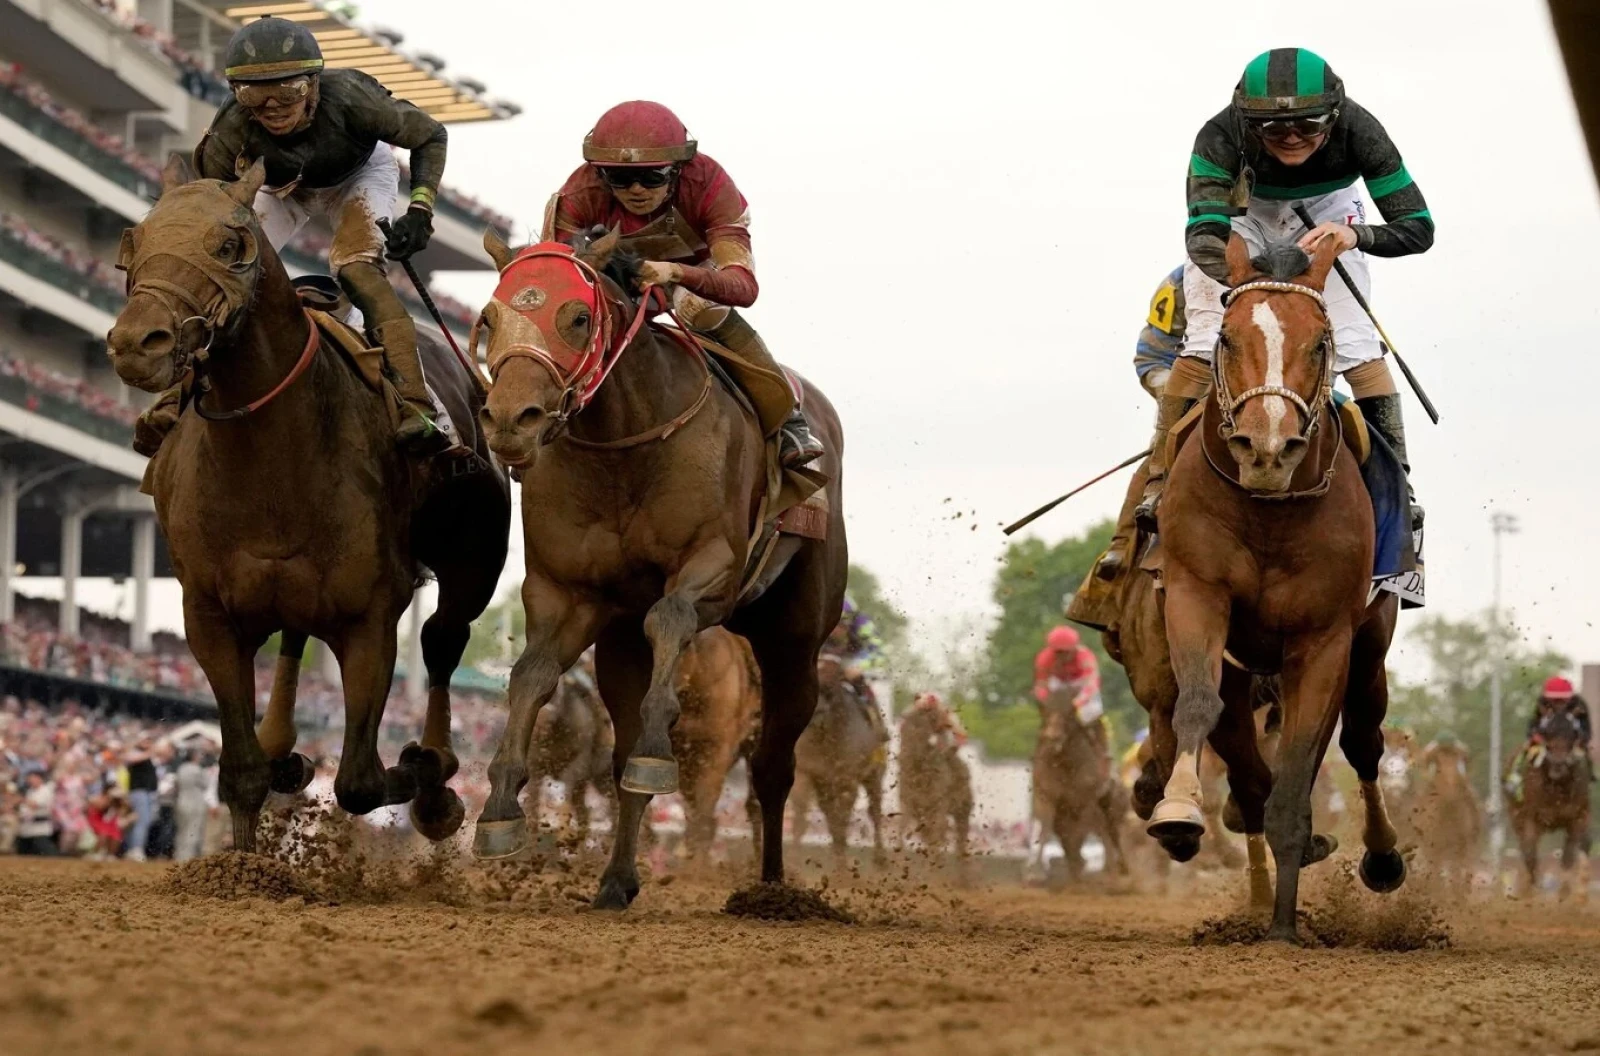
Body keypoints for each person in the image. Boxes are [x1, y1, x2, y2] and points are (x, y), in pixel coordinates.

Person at [1137, 47, 1434, 534]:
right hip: (1242, 216)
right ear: (1248, 123)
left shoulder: (1362, 130)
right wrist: (1250, 284)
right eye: (1274, 130)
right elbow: (1204, 236)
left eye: (1310, 125)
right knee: (1205, 335)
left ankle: (1397, 490)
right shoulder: (1218, 135)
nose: (1292, 138)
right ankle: (1158, 480)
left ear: (1334, 116)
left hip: (1331, 214)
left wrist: (1355, 236)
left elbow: (1418, 228)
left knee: (1358, 345)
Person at [132, 15, 451, 457]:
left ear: (314, 84)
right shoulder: (229, 130)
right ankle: (174, 397)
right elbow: (207, 215)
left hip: (359, 174)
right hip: (281, 187)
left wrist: (420, 208)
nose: (272, 109)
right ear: (236, 95)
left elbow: (431, 135)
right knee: (221, 271)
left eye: (288, 92)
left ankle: (416, 404)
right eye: (253, 96)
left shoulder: (354, 97)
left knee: (356, 269)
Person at [546, 100, 822, 468]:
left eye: (653, 177)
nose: (636, 190)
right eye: (620, 178)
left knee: (701, 310)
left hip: (695, 279)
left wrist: (676, 273)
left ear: (677, 171)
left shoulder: (709, 184)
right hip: (614, 283)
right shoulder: (579, 193)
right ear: (600, 174)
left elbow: (743, 287)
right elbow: (560, 278)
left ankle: (789, 421)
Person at [1506, 676, 1593, 800]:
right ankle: (1515, 775)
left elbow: (1587, 729)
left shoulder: (1580, 705)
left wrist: (1582, 740)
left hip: (1571, 742)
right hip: (1546, 740)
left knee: (1585, 754)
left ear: (1569, 698)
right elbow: (1532, 725)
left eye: (1562, 700)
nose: (1558, 704)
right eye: (1554, 700)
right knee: (1527, 749)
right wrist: (1534, 736)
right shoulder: (1541, 703)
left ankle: (1591, 777)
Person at [1032, 626, 1108, 756]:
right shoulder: (1044, 658)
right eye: (1057, 652)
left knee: (1093, 712)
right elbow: (1040, 685)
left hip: (1081, 683)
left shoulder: (1085, 657)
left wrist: (1078, 702)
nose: (1061, 656)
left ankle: (1104, 752)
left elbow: (1092, 684)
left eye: (1065, 652)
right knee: (1048, 714)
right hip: (1058, 682)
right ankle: (1038, 750)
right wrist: (1048, 702)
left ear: (1074, 648)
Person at [122, 736, 159, 862]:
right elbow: (131, 758)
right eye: (145, 740)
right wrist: (150, 751)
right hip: (138, 791)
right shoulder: (136, 753)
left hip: (147, 792)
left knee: (144, 821)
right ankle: (136, 849)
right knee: (142, 821)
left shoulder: (148, 756)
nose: (148, 743)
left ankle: (134, 848)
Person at [173, 748, 209, 862]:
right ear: (194, 756)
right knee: (193, 830)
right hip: (195, 802)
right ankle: (188, 858)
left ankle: (179, 856)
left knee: (181, 830)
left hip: (181, 801)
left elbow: (176, 786)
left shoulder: (181, 768)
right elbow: (205, 784)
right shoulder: (197, 769)